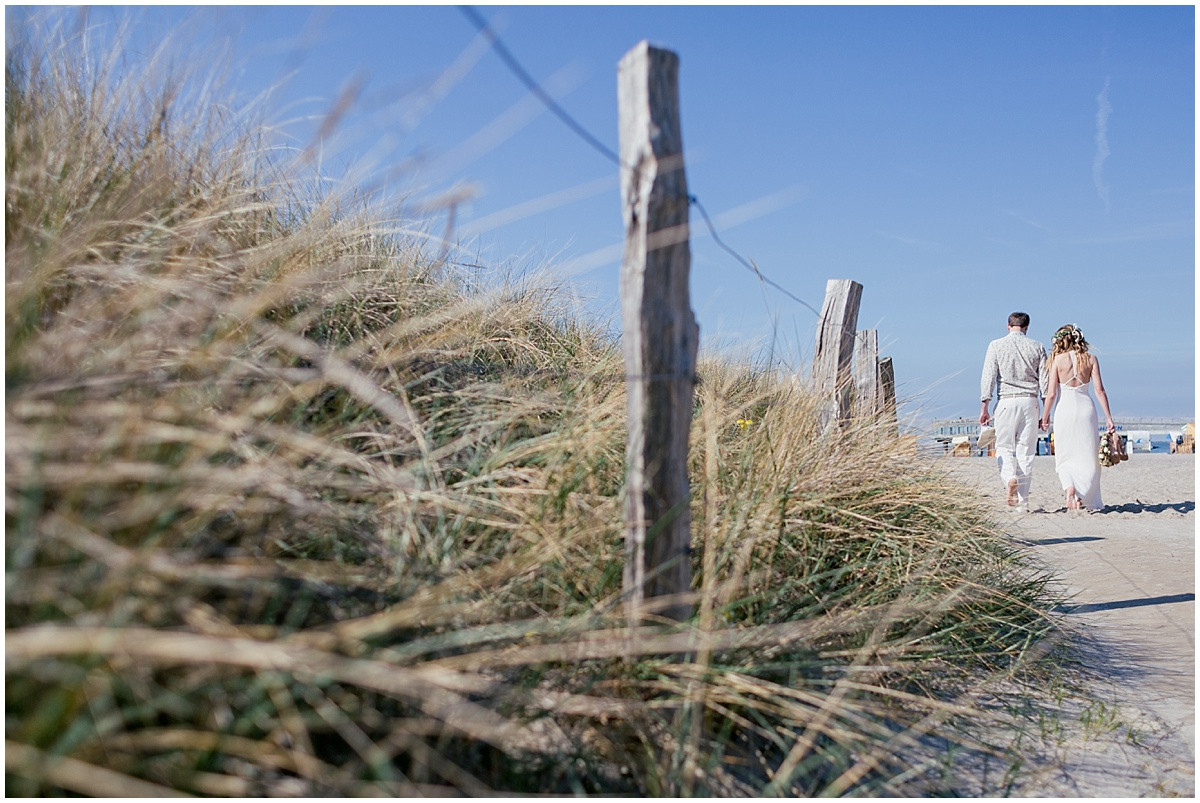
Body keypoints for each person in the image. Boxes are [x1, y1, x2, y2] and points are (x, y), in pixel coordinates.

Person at [1039, 324, 1115, 511]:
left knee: (1065, 455)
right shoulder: (1091, 359)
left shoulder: (1057, 360)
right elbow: (1100, 390)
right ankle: (1083, 495)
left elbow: (1051, 394)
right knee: (1088, 455)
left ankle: (1070, 487)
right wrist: (1108, 417)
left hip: (1064, 409)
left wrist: (1045, 416)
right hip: (1086, 409)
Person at [980, 312, 1048, 510]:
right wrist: (1046, 411)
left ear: (1008, 325)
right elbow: (1044, 381)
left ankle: (1010, 477)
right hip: (1030, 401)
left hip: (1006, 401)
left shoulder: (996, 345)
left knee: (1004, 447)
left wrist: (984, 405)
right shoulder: (1037, 346)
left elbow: (988, 377)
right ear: (1027, 327)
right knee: (1026, 453)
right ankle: (1023, 503)